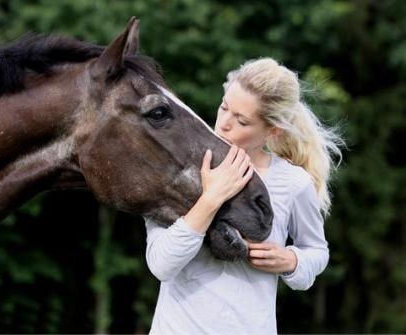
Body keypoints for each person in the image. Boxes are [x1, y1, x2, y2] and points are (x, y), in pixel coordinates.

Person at [145, 57, 343, 334]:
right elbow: (161, 265)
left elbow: (317, 252)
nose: (224, 123)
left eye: (242, 120)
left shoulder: (293, 182)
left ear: (272, 131)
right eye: (224, 107)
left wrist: (292, 261)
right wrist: (211, 199)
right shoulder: (177, 169)